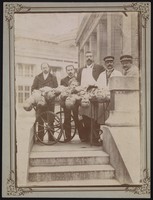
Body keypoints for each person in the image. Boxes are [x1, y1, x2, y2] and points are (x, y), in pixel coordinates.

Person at [77, 51, 105, 146]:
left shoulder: (99, 68)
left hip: (94, 93)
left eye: (90, 56)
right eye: (87, 56)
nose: (89, 58)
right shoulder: (81, 70)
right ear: (85, 58)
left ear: (94, 57)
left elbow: (103, 79)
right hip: (83, 94)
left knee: (94, 116)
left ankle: (95, 137)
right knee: (85, 116)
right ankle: (88, 137)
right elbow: (78, 82)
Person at [31, 62, 58, 142]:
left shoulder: (53, 77)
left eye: (46, 67)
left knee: (51, 119)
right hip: (40, 101)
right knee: (40, 119)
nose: (45, 69)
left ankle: (51, 138)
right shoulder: (37, 77)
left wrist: (49, 91)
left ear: (49, 68)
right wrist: (39, 92)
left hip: (50, 101)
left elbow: (56, 88)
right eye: (43, 67)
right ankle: (40, 138)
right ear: (41, 68)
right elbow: (33, 88)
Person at [60, 65, 85, 142]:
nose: (70, 71)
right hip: (67, 102)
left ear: (74, 70)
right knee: (67, 119)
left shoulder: (78, 79)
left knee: (77, 119)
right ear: (66, 71)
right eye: (68, 70)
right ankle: (68, 137)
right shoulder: (63, 80)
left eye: (71, 70)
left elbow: (81, 89)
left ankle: (82, 137)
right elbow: (62, 91)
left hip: (76, 102)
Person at [96, 56, 122, 124]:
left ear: (113, 63)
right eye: (107, 62)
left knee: (113, 118)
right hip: (103, 99)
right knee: (102, 114)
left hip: (114, 98)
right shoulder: (101, 75)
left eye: (111, 62)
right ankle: (102, 126)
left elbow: (120, 87)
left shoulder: (118, 74)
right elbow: (98, 87)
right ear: (105, 64)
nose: (109, 64)